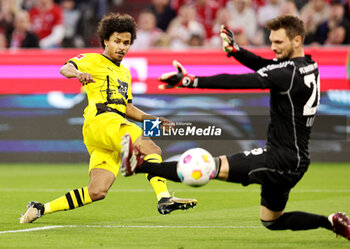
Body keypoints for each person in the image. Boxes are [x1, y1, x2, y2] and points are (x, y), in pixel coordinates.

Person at [120, 15, 350, 240]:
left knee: (204, 167)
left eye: (278, 42)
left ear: (297, 40)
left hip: (279, 159)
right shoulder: (309, 66)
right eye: (271, 41)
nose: (273, 47)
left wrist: (191, 81)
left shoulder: (285, 74)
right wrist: (237, 52)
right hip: (295, 160)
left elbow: (241, 80)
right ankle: (330, 222)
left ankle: (138, 166)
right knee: (272, 220)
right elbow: (268, 66)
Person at [19, 13, 197, 224]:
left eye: (126, 43)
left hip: (107, 131)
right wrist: (78, 74)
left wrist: (153, 119)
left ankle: (40, 209)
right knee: (152, 150)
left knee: (97, 191)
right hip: (102, 120)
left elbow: (128, 108)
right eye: (117, 41)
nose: (122, 47)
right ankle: (164, 198)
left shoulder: (125, 73)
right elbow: (65, 68)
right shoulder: (92, 60)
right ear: (105, 40)